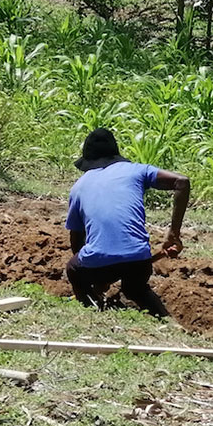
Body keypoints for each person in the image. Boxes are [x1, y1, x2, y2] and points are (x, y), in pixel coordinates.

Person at [65, 127, 190, 314]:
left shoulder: (79, 187)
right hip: (139, 261)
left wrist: (97, 278)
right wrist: (174, 232)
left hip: (98, 264)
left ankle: (89, 304)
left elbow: (77, 242)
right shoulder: (136, 171)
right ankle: (165, 320)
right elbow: (182, 181)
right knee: (135, 289)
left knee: (73, 269)